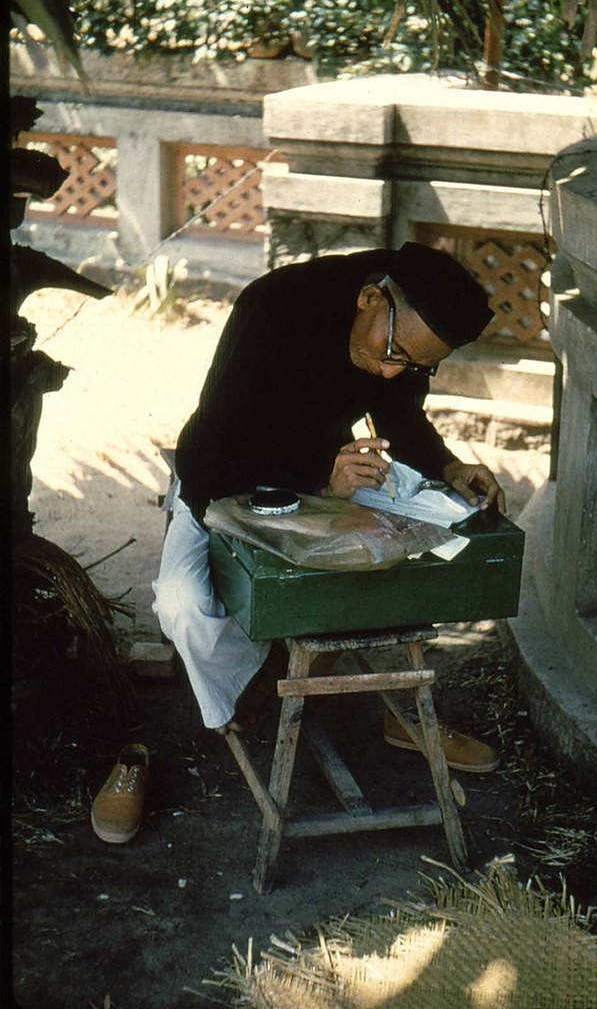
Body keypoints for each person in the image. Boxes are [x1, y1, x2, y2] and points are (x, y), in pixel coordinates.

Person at [152, 242, 506, 772]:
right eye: (393, 352)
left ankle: (290, 673)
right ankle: (255, 682)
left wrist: (448, 465)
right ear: (369, 298)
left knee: (411, 540)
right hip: (225, 476)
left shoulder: (399, 336)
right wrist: (319, 478)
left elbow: (399, 416)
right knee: (182, 605)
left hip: (331, 474)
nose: (392, 372)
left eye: (415, 366)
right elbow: (212, 458)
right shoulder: (273, 307)